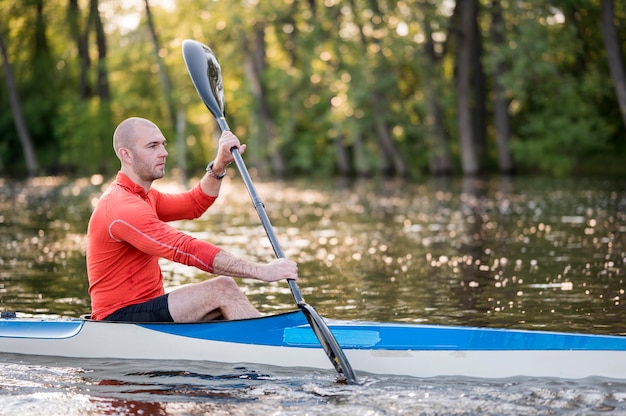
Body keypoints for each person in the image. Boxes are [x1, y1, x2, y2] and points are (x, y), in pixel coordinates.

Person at [86, 117, 298, 322]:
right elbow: (185, 249)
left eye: (163, 144)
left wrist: (219, 165)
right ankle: (267, 346)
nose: (164, 153)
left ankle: (260, 339)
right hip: (117, 319)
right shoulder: (121, 207)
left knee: (222, 300)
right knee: (222, 289)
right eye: (152, 146)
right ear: (127, 155)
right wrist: (262, 271)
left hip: (149, 306)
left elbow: (194, 204)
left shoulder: (145, 196)